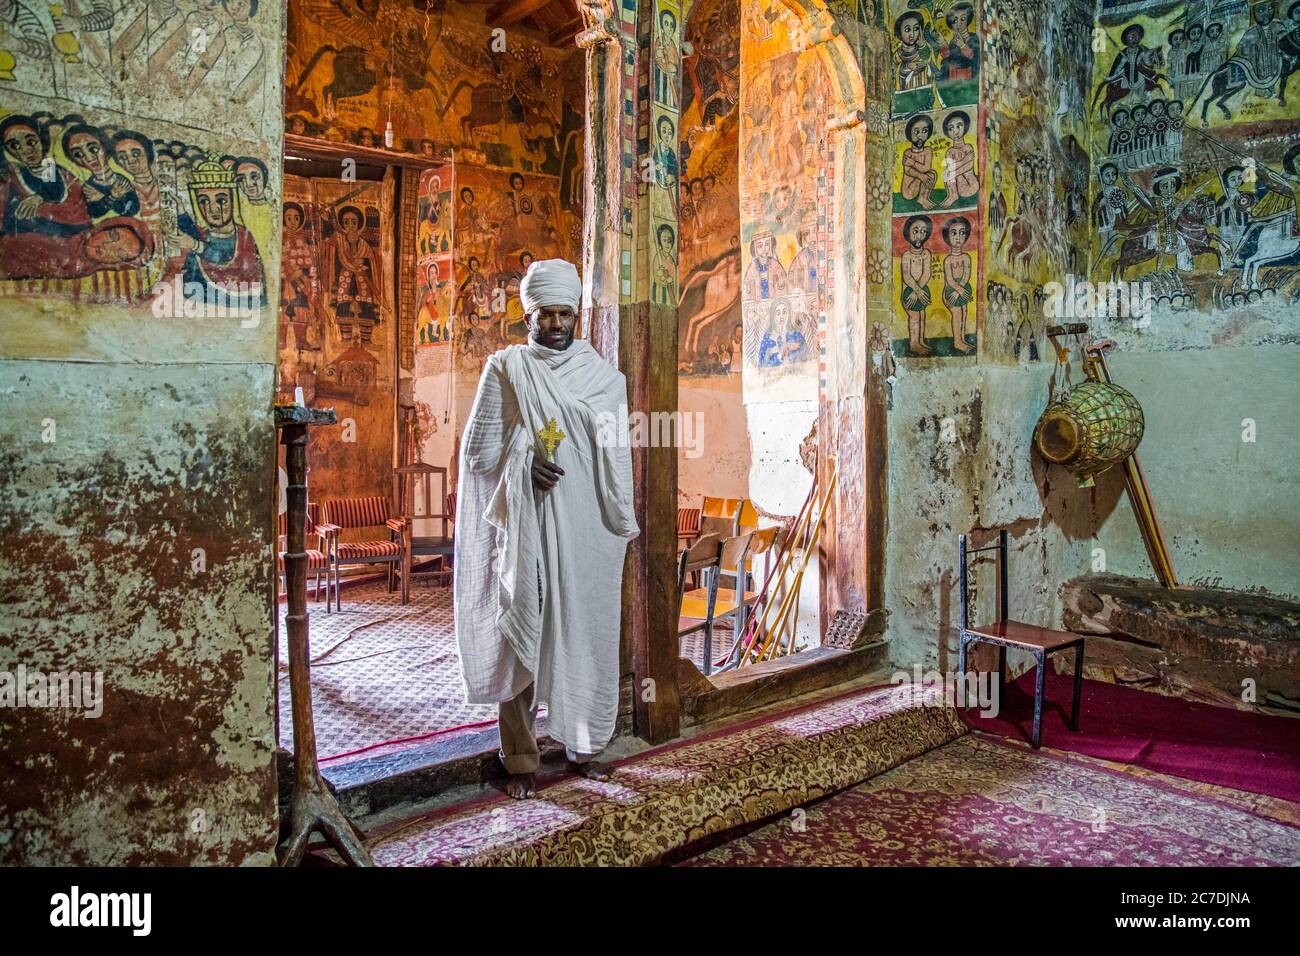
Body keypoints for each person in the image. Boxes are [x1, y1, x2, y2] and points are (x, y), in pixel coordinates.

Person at [454, 258, 639, 800]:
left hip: (584, 532)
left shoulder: (605, 380)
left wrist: (616, 523)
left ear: (576, 314)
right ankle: (520, 760)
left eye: (565, 314)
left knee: (581, 630)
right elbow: (477, 453)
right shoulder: (506, 369)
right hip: (525, 528)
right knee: (522, 635)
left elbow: (616, 459)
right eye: (545, 314)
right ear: (527, 314)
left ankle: (583, 748)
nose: (556, 324)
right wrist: (521, 464)